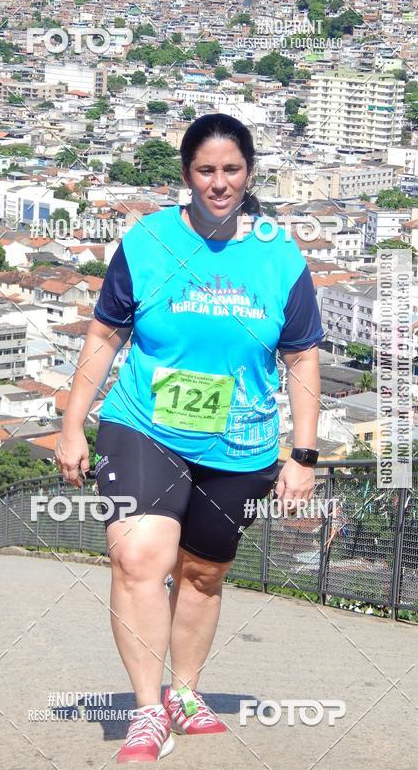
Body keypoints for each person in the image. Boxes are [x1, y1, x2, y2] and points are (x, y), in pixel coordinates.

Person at [55, 114, 324, 763]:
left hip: (240, 444)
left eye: (231, 169)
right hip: (143, 424)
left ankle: (186, 690)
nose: (219, 181)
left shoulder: (278, 255)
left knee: (202, 574)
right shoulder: (147, 242)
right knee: (140, 557)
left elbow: (304, 357)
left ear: (249, 173)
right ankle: (148, 712)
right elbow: (103, 336)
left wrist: (304, 455)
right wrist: (72, 424)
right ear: (187, 174)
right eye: (206, 169)